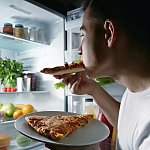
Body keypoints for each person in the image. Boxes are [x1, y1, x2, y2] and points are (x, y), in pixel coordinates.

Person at [46, 0, 150, 149]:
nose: (79, 50)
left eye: (83, 35)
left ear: (109, 33)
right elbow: (128, 122)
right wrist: (92, 89)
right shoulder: (135, 87)